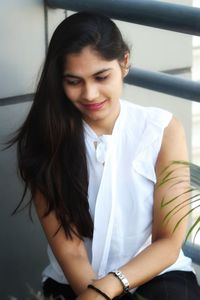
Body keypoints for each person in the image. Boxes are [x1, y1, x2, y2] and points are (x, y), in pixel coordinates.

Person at [10, 11, 200, 300]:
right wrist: (97, 293)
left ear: (124, 63)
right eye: (74, 81)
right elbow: (71, 251)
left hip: (154, 272)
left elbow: (168, 242)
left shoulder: (162, 129)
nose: (90, 94)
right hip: (75, 279)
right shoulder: (45, 139)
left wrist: (109, 285)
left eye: (101, 76)